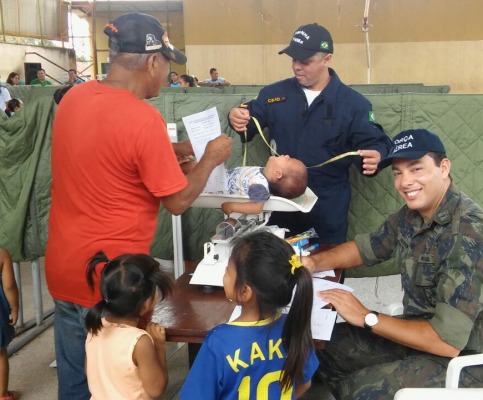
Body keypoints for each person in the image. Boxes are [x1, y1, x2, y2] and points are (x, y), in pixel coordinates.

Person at [45, 12, 232, 400]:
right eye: (166, 65)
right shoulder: (142, 118)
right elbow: (178, 201)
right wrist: (210, 158)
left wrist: (177, 151)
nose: (165, 76)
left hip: (64, 268)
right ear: (153, 61)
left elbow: (110, 148)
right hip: (115, 280)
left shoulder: (74, 99)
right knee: (125, 387)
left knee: (79, 381)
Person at [302, 129, 483, 399]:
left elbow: (447, 341)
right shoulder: (413, 215)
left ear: (444, 168)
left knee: (360, 389)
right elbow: (366, 248)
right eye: (398, 173)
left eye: (416, 169)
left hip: (474, 361)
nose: (405, 182)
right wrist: (313, 261)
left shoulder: (467, 237)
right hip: (422, 333)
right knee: (320, 349)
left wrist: (367, 317)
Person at [228, 23, 391, 245]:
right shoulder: (274, 94)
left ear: (327, 59)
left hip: (326, 211)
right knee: (274, 272)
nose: (297, 67)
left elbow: (375, 142)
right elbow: (249, 118)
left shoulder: (353, 104)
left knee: (324, 273)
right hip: (278, 208)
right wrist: (237, 117)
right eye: (293, 59)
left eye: (305, 61)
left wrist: (378, 156)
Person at [179, 230, 318, 399]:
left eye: (228, 271)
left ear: (245, 292)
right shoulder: (294, 327)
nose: (224, 274)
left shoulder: (219, 342)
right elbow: (305, 384)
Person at [84, 251, 174, 399]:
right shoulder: (139, 341)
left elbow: (90, 371)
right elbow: (156, 389)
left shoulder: (96, 327)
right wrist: (159, 346)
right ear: (147, 303)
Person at [220, 155, 308, 215]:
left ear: (277, 173)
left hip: (217, 188)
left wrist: (232, 207)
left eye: (288, 160)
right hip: (222, 178)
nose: (287, 156)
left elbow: (256, 207)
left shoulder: (259, 185)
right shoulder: (263, 173)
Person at [0, 249, 18, 400]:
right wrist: (14, 307)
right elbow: (9, 286)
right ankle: (2, 394)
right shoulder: (2, 254)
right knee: (0, 354)